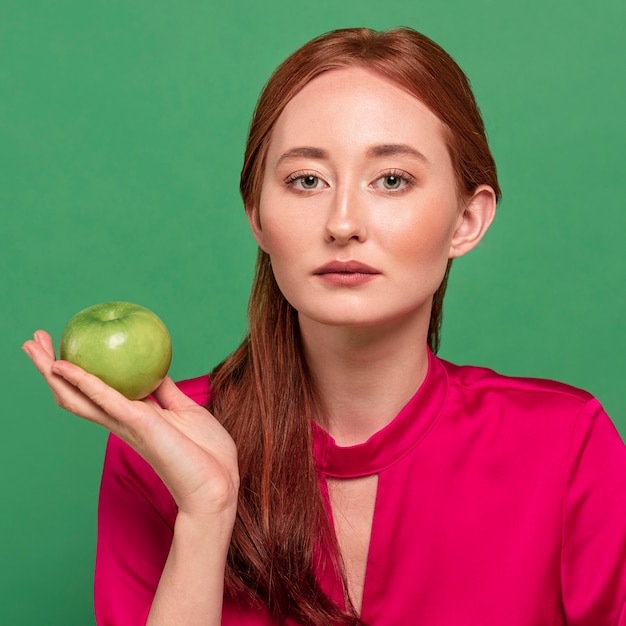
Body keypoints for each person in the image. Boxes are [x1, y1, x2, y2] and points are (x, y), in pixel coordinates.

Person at [23, 27, 626, 626]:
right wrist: (207, 513)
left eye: (391, 179)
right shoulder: (162, 446)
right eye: (306, 180)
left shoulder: (568, 446)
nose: (342, 223)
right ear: (257, 216)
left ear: (467, 220)